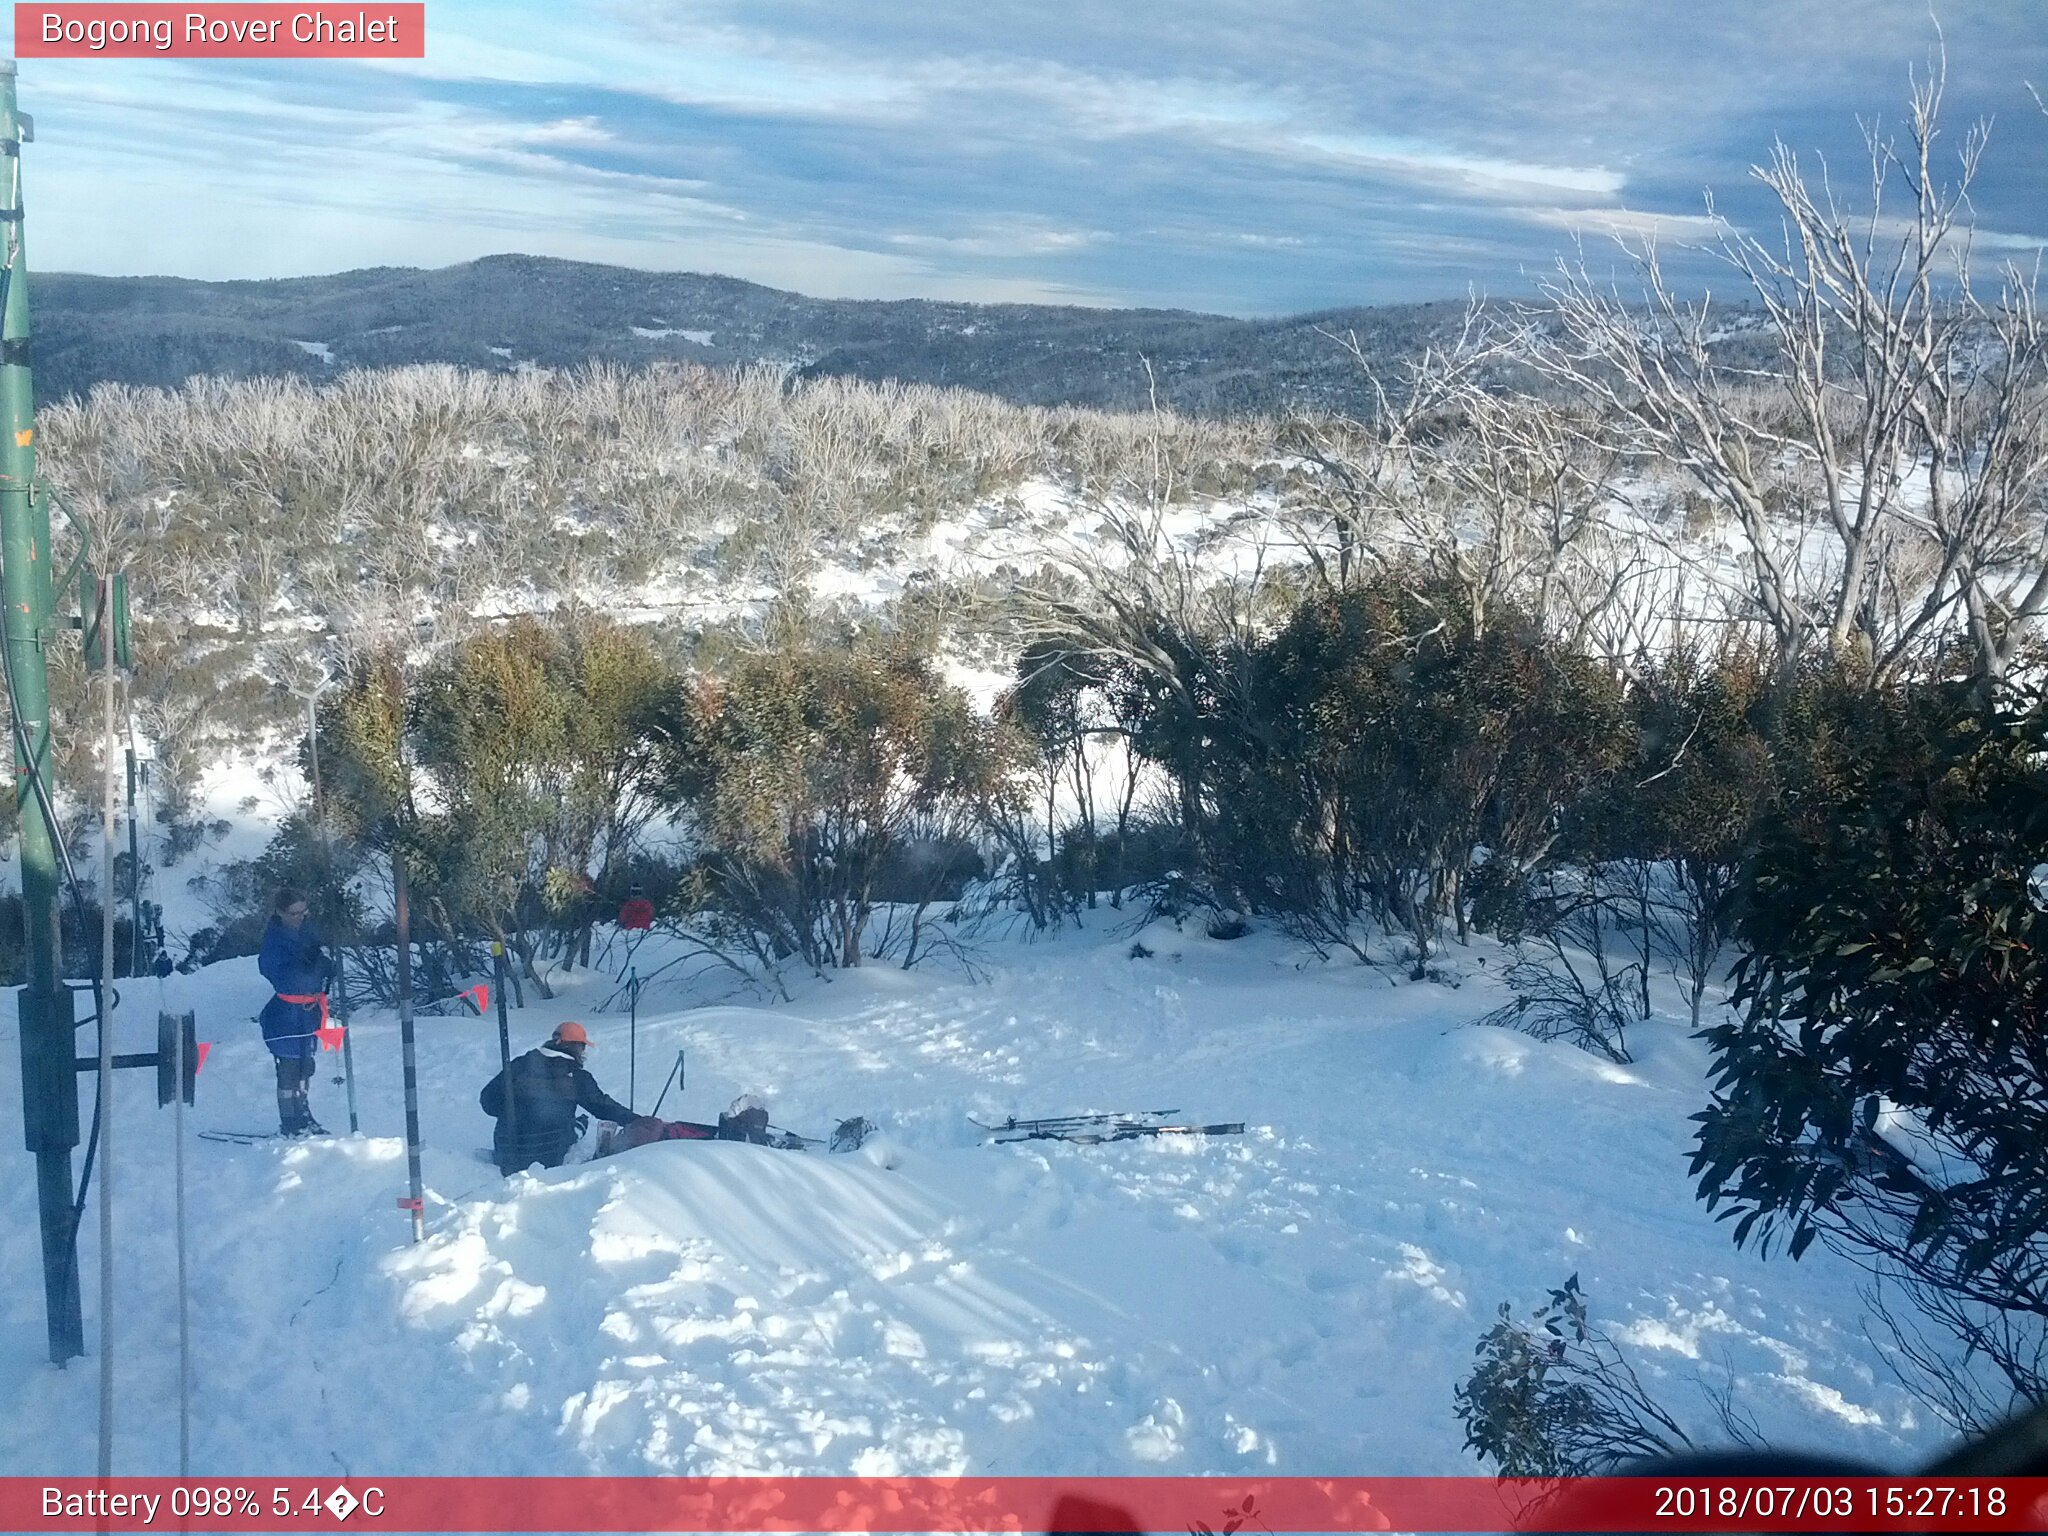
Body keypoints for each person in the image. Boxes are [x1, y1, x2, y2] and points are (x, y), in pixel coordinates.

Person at [480, 1022, 644, 1174]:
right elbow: (603, 1106)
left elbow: (488, 1102)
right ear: (577, 1048)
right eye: (583, 1047)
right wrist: (638, 1121)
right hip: (548, 1156)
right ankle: (579, 1125)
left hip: (506, 1152)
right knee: (570, 1126)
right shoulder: (577, 1077)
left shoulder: (518, 1065)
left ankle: (577, 1124)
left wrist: (518, 1113)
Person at [257, 888, 332, 1137]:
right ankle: (289, 1121)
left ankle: (304, 1115)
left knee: (305, 1066)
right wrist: (310, 966)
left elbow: (321, 963)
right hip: (285, 1015)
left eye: (303, 911)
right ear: (280, 912)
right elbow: (284, 977)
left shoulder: (308, 930)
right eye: (294, 913)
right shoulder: (274, 941)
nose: (300, 917)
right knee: (288, 1068)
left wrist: (324, 966)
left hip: (308, 1013)